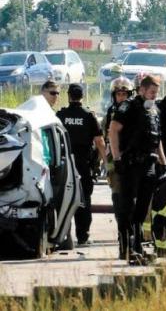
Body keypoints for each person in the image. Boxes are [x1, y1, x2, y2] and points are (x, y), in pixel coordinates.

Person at [108, 74, 166, 264]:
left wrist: (163, 163)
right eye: (151, 92)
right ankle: (128, 247)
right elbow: (113, 130)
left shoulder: (154, 110)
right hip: (131, 164)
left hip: (149, 165)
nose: (153, 96)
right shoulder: (129, 107)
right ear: (141, 90)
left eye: (156, 93)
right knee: (127, 207)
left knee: (143, 208)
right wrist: (117, 157)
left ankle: (137, 245)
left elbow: (156, 138)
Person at [57, 84, 107, 246]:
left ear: (69, 96)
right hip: (83, 165)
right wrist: (104, 163)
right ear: (82, 96)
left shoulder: (60, 115)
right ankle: (83, 236)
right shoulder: (88, 116)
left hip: (64, 165)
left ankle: (63, 236)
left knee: (63, 199)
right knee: (83, 201)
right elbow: (99, 142)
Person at [102, 76, 134, 259]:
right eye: (118, 94)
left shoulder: (135, 111)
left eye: (124, 94)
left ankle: (134, 241)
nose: (121, 97)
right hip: (116, 165)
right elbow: (106, 137)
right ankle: (123, 243)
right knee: (119, 203)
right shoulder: (110, 113)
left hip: (132, 163)